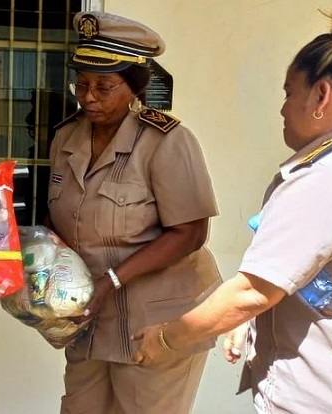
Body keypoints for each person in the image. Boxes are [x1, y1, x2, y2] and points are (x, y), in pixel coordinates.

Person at [133, 5, 332, 414]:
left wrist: (166, 338)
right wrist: (250, 324)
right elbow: (297, 274)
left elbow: (253, 289)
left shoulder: (331, 178)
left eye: (289, 93)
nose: (283, 108)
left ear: (321, 95)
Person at [47, 11, 222, 414]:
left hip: (156, 322)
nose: (89, 96)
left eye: (104, 87)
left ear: (134, 87)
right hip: (90, 319)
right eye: (82, 84)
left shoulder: (166, 141)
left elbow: (191, 233)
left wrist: (111, 280)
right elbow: (62, 220)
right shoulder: (65, 138)